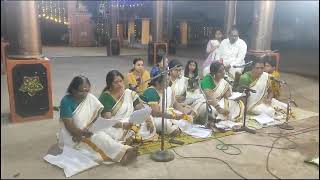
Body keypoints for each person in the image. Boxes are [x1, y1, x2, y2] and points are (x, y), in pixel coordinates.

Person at [57, 75, 137, 165]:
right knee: (98, 138)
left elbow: (98, 119)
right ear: (73, 90)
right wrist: (80, 133)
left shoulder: (90, 98)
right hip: (72, 136)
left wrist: (121, 125)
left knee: (103, 133)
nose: (84, 93)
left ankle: (124, 150)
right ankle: (123, 153)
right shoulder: (66, 101)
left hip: (88, 129)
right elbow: (69, 125)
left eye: (87, 91)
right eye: (81, 91)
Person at [99, 70, 157, 143]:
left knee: (148, 119)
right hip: (116, 126)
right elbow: (108, 121)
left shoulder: (128, 93)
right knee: (108, 132)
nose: (119, 84)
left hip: (129, 122)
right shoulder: (106, 97)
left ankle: (131, 136)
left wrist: (148, 120)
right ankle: (130, 137)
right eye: (116, 82)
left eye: (120, 81)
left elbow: (141, 109)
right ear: (110, 84)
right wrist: (123, 125)